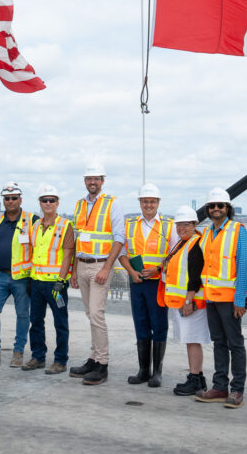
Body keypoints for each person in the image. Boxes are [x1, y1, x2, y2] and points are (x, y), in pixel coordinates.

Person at [69, 161, 126, 386]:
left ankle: (102, 364)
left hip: (100, 266)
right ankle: (93, 359)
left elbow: (119, 238)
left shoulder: (112, 203)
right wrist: (74, 270)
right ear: (85, 181)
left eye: (96, 179)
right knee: (89, 314)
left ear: (102, 181)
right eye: (89, 179)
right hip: (82, 265)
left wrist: (106, 268)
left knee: (96, 314)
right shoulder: (79, 205)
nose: (92, 182)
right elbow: (76, 238)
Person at [195, 187, 247, 409]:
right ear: (208, 209)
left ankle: (237, 390)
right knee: (219, 343)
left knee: (235, 344)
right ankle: (219, 387)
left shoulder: (239, 230)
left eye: (220, 205)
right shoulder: (207, 233)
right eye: (212, 206)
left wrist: (239, 300)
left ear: (228, 208)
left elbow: (244, 267)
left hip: (230, 301)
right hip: (211, 299)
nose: (216, 209)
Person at [121, 182, 175, 387]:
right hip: (137, 283)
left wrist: (158, 269)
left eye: (152, 201)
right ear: (140, 203)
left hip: (158, 284)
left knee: (159, 325)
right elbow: (122, 253)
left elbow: (174, 254)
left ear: (158, 202)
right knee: (141, 324)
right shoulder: (130, 224)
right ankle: (143, 370)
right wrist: (131, 272)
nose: (148, 205)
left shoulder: (168, 226)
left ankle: (157, 373)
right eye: (145, 201)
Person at [23, 184, 75, 374]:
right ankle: (38, 357)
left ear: (57, 203)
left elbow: (68, 254)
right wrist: (30, 278)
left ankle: (60, 360)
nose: (48, 203)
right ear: (40, 203)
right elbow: (33, 253)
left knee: (60, 322)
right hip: (37, 282)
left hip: (56, 285)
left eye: (51, 200)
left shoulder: (65, 225)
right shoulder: (35, 226)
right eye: (44, 200)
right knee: (35, 321)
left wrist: (61, 280)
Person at [158, 205, 209, 396]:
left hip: (191, 304)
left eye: (186, 224)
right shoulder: (182, 243)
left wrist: (188, 302)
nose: (181, 228)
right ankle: (197, 377)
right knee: (190, 340)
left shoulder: (195, 243)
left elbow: (195, 276)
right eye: (179, 225)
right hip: (182, 303)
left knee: (193, 340)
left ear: (195, 224)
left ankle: (195, 378)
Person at [0, 182, 36, 369]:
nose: (11, 201)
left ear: (20, 199)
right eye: (7, 198)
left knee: (23, 315)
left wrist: (33, 277)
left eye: (14, 198)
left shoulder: (32, 219)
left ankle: (18, 352)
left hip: (22, 278)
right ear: (3, 200)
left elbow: (38, 248)